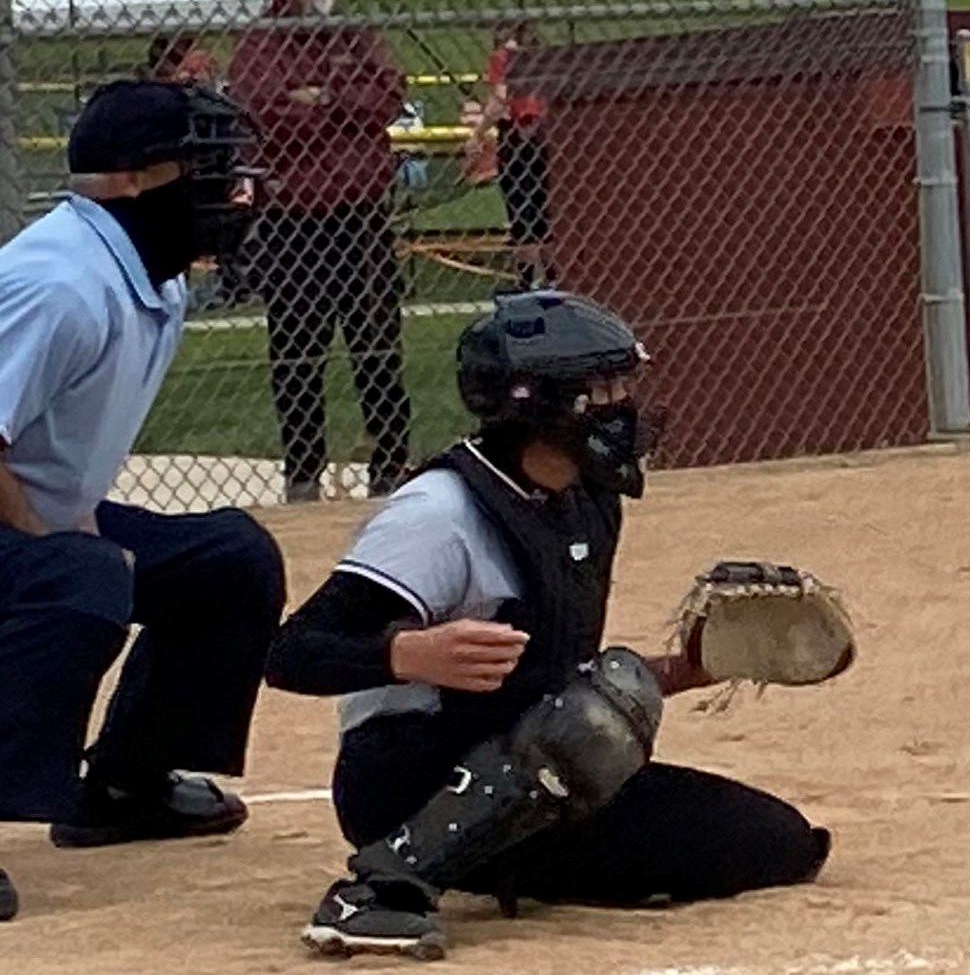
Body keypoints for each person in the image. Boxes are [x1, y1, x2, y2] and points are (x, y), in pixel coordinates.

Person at [264, 290, 831, 959]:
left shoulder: (583, 498)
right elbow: (290, 652)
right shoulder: (438, 513)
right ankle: (383, 884)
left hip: (533, 769)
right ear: (539, 404)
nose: (624, 404)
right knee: (582, 731)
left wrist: (692, 667)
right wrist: (407, 653)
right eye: (603, 388)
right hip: (404, 783)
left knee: (778, 840)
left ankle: (499, 858)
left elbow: (557, 686)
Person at [0, 81, 286, 920]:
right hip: (22, 526)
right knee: (80, 579)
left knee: (230, 559)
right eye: (205, 165)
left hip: (33, 518)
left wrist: (75, 532)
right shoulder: (58, 283)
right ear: (132, 180)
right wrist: (64, 545)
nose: (230, 185)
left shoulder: (148, 276)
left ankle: (126, 784)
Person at [231, 0, 413, 502]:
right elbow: (263, 111)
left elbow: (386, 97)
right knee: (297, 349)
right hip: (295, 220)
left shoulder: (352, 34)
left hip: (359, 216)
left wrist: (325, 98)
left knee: (378, 343)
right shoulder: (261, 41)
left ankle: (391, 463)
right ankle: (303, 471)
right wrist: (338, 105)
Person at [469, 21, 553, 288]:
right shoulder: (540, 58)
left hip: (517, 135)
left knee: (521, 210)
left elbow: (499, 100)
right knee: (545, 210)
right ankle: (553, 277)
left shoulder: (503, 57)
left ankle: (526, 281)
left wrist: (478, 134)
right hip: (545, 134)